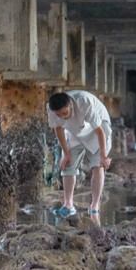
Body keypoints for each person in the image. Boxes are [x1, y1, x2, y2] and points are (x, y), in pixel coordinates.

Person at [46, 90, 112, 219]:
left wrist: (103, 156)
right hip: (75, 130)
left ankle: (94, 205)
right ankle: (68, 204)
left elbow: (100, 132)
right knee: (68, 165)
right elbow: (58, 129)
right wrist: (65, 153)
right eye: (59, 115)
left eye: (65, 113)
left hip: (97, 129)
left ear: (70, 104)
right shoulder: (51, 108)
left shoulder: (84, 102)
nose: (63, 117)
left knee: (97, 166)